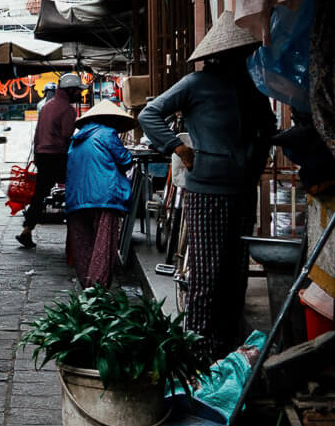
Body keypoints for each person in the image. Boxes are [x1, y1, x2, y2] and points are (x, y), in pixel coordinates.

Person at [137, 19, 276, 358]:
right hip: (208, 191)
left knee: (235, 274)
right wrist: (177, 147)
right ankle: (198, 355)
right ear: (223, 55)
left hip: (242, 190)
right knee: (207, 277)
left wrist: (255, 163)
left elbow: (269, 128)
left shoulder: (252, 88)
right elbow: (149, 114)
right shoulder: (195, 84)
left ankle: (227, 351)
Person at [65, 100, 139, 288]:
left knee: (84, 246)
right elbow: (125, 160)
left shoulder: (77, 139)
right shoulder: (108, 133)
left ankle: (87, 287)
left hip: (76, 199)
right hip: (104, 197)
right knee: (104, 245)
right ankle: (98, 290)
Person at [18, 72, 85, 249]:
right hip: (58, 156)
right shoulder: (68, 110)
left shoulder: (47, 107)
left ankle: (27, 229)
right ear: (70, 90)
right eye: (78, 90)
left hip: (42, 155)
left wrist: (37, 155)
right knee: (76, 188)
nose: (80, 93)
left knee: (39, 194)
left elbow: (38, 133)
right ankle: (79, 230)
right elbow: (66, 136)